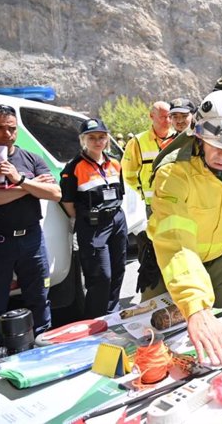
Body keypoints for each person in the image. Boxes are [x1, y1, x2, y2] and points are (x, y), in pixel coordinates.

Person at [147, 86, 222, 365]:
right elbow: (176, 241)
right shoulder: (173, 173)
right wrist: (195, 307)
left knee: (220, 339)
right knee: (160, 348)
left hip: (221, 261)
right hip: (171, 269)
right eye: (216, 144)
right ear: (198, 136)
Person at [0, 104, 60, 343]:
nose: (7, 134)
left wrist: (19, 179)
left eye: (11, 128)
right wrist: (30, 187)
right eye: (0, 128)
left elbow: (55, 193)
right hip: (0, 240)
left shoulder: (30, 158)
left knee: (39, 297)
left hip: (32, 239)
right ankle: (1, 355)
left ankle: (43, 345)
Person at [60, 118, 127, 318]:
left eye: (101, 137)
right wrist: (85, 219)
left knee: (118, 269)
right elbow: (68, 202)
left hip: (116, 219)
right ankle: (96, 320)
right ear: (83, 140)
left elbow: (119, 191)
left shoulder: (114, 162)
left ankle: (112, 314)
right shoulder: (74, 167)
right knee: (101, 276)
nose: (97, 141)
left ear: (107, 139)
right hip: (93, 225)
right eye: (92, 137)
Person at [121, 101, 174, 270]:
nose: (167, 120)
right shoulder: (138, 142)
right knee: (152, 246)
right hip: (151, 206)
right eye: (163, 117)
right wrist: (142, 195)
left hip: (176, 203)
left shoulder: (179, 139)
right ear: (152, 116)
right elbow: (128, 174)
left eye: (169, 117)